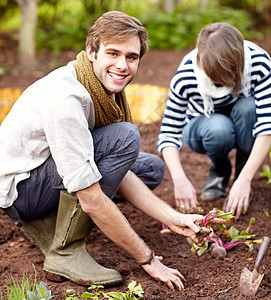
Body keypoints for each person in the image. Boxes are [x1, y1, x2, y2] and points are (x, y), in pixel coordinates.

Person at [0, 11, 224, 291]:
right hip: (20, 191)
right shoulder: (67, 101)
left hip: (42, 172)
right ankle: (65, 251)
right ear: (91, 51)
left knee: (148, 169)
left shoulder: (97, 87)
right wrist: (148, 259)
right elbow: (93, 199)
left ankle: (48, 221)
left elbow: (117, 168)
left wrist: (174, 219)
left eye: (131, 57)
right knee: (124, 139)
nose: (123, 65)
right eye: (113, 53)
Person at [158, 22, 271, 219]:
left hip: (243, 120)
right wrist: (179, 179)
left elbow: (267, 125)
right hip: (203, 127)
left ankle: (241, 174)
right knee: (219, 127)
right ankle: (220, 169)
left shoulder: (258, 62)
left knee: (249, 108)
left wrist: (245, 180)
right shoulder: (186, 76)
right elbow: (169, 133)